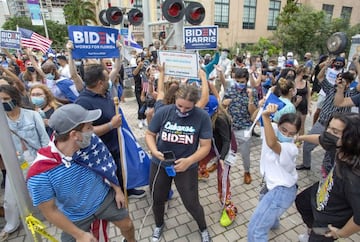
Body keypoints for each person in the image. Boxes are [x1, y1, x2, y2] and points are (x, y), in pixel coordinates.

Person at [26, 104, 136, 242]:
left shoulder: (90, 142)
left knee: (128, 225)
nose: (92, 131)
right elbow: (50, 211)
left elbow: (105, 164)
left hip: (104, 199)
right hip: (75, 215)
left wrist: (117, 190)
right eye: (89, 127)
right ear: (74, 135)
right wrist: (79, 234)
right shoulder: (40, 174)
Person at [145, 85, 213, 242]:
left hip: (186, 166)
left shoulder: (202, 117)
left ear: (195, 104)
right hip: (160, 164)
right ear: (175, 100)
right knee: (157, 198)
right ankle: (159, 225)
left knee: (191, 202)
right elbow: (149, 133)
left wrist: (189, 160)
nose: (183, 111)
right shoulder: (164, 111)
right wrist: (154, 150)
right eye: (179, 105)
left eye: (188, 107)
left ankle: (203, 228)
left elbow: (205, 146)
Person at [75, 63, 146, 198]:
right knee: (113, 176)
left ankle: (128, 189)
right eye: (107, 78)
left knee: (121, 170)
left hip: (116, 144)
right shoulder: (83, 102)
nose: (110, 80)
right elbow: (84, 133)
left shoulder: (104, 93)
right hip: (103, 151)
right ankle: (117, 195)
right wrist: (110, 125)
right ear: (100, 83)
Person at [295, 112, 360, 242]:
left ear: (351, 138)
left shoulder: (353, 178)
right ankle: (312, 230)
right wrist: (299, 138)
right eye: (329, 127)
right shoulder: (338, 144)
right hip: (323, 193)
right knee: (301, 202)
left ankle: (317, 234)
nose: (328, 133)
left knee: (318, 238)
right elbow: (320, 138)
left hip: (331, 218)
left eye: (335, 131)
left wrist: (341, 233)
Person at [0, 85, 49, 240]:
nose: (3, 102)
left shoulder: (32, 115)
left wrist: (46, 160)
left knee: (43, 191)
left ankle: (49, 215)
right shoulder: (1, 122)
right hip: (15, 164)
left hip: (36, 159)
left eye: (6, 99)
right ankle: (11, 225)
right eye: (0, 100)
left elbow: (44, 139)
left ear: (15, 98)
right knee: (11, 199)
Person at [248, 105, 301, 242]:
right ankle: (273, 223)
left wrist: (265, 116)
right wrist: (262, 107)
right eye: (284, 130)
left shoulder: (291, 148)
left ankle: (270, 221)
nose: (286, 135)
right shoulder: (273, 129)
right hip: (272, 185)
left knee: (256, 230)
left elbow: (272, 144)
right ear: (278, 125)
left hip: (282, 190)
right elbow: (254, 118)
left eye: (291, 133)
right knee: (263, 202)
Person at [296, 57, 359, 173]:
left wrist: (356, 63)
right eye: (339, 79)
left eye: (343, 81)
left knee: (332, 154)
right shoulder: (330, 88)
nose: (339, 82)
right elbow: (320, 78)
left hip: (337, 130)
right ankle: (306, 164)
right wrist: (326, 66)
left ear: (349, 83)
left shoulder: (351, 93)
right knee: (307, 146)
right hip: (321, 123)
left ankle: (331, 174)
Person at [223, 68, 258, 184]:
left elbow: (253, 113)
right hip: (230, 127)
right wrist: (224, 105)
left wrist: (251, 99)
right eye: (237, 81)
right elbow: (222, 109)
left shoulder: (252, 92)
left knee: (245, 153)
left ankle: (247, 171)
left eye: (242, 82)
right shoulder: (229, 90)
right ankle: (224, 172)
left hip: (245, 128)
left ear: (246, 81)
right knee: (228, 152)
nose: (239, 84)